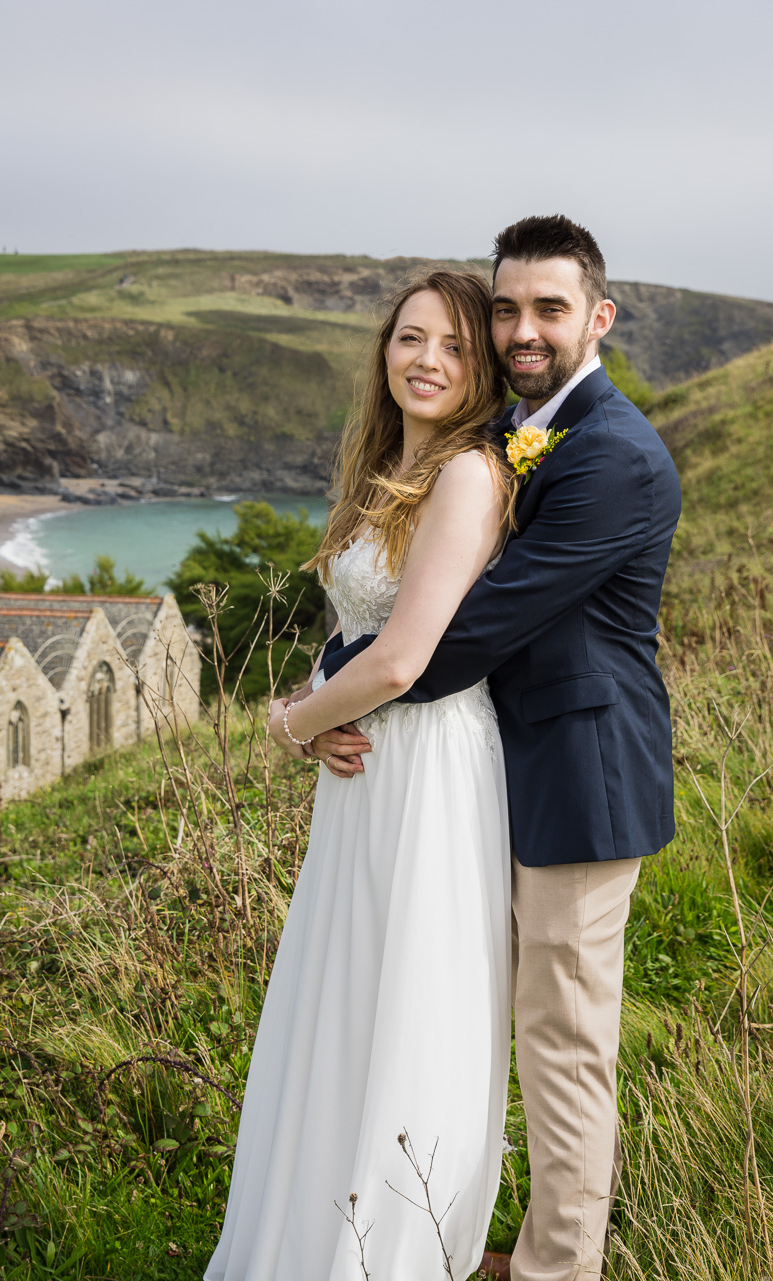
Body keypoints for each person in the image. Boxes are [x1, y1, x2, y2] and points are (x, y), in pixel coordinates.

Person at [290, 214, 682, 1281]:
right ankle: (445, 1227)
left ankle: (560, 1271)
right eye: (505, 309)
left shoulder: (613, 459)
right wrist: (351, 672)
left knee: (561, 1045)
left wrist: (330, 697)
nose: (522, 329)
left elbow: (472, 628)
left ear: (597, 316)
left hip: (581, 782)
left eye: (548, 309)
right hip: (496, 770)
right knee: (458, 1014)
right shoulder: (527, 429)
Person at [205, 269, 517, 1281]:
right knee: (347, 991)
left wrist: (292, 723)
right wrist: (311, 693)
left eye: (455, 348)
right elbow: (354, 637)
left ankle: (388, 1248)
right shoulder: (389, 466)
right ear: (385, 348)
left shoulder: (469, 474)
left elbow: (401, 661)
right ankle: (313, 1219)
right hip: (371, 764)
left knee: (411, 992)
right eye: (411, 339)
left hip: (427, 761)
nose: (426, 361)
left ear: (480, 372)